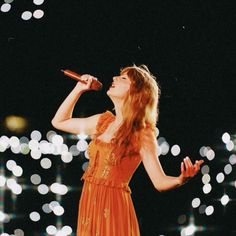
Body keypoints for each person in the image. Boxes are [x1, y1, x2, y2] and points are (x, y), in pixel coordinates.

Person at [51, 64, 204, 236]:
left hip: (114, 206)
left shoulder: (142, 133)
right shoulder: (102, 121)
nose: (114, 78)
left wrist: (180, 179)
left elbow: (159, 182)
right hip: (89, 203)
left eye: (123, 78)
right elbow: (59, 122)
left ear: (137, 93)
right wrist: (78, 89)